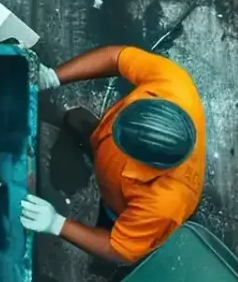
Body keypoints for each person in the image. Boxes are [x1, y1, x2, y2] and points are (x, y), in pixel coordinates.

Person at [20, 44, 206, 265]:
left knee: (109, 232)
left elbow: (116, 249)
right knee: (81, 121)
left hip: (118, 201)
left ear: (146, 162)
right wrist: (52, 77)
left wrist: (57, 224)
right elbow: (117, 57)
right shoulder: (174, 84)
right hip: (106, 147)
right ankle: (92, 139)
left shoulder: (163, 205)